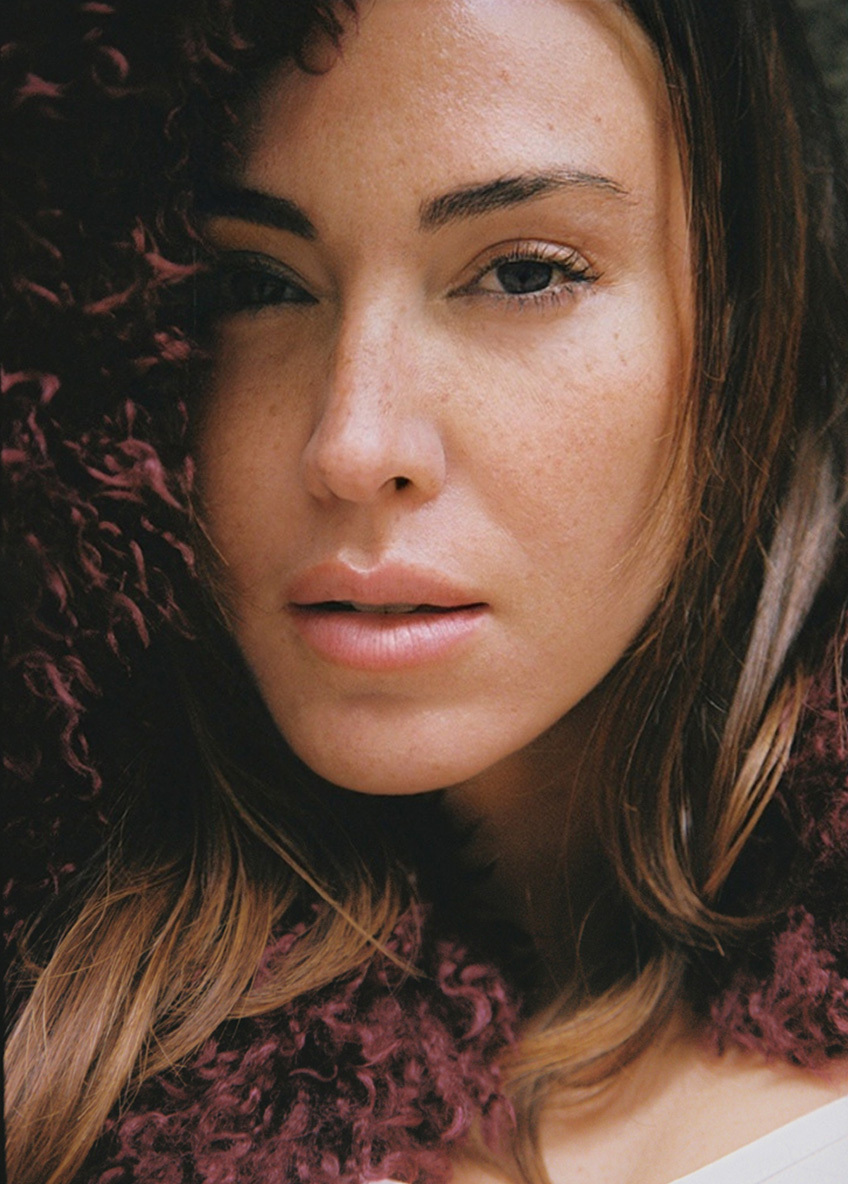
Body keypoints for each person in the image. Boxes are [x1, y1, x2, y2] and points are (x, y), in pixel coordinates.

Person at [3, 1, 847, 1182]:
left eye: (522, 272)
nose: (353, 445)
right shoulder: (54, 1056)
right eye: (253, 282)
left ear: (755, 327)